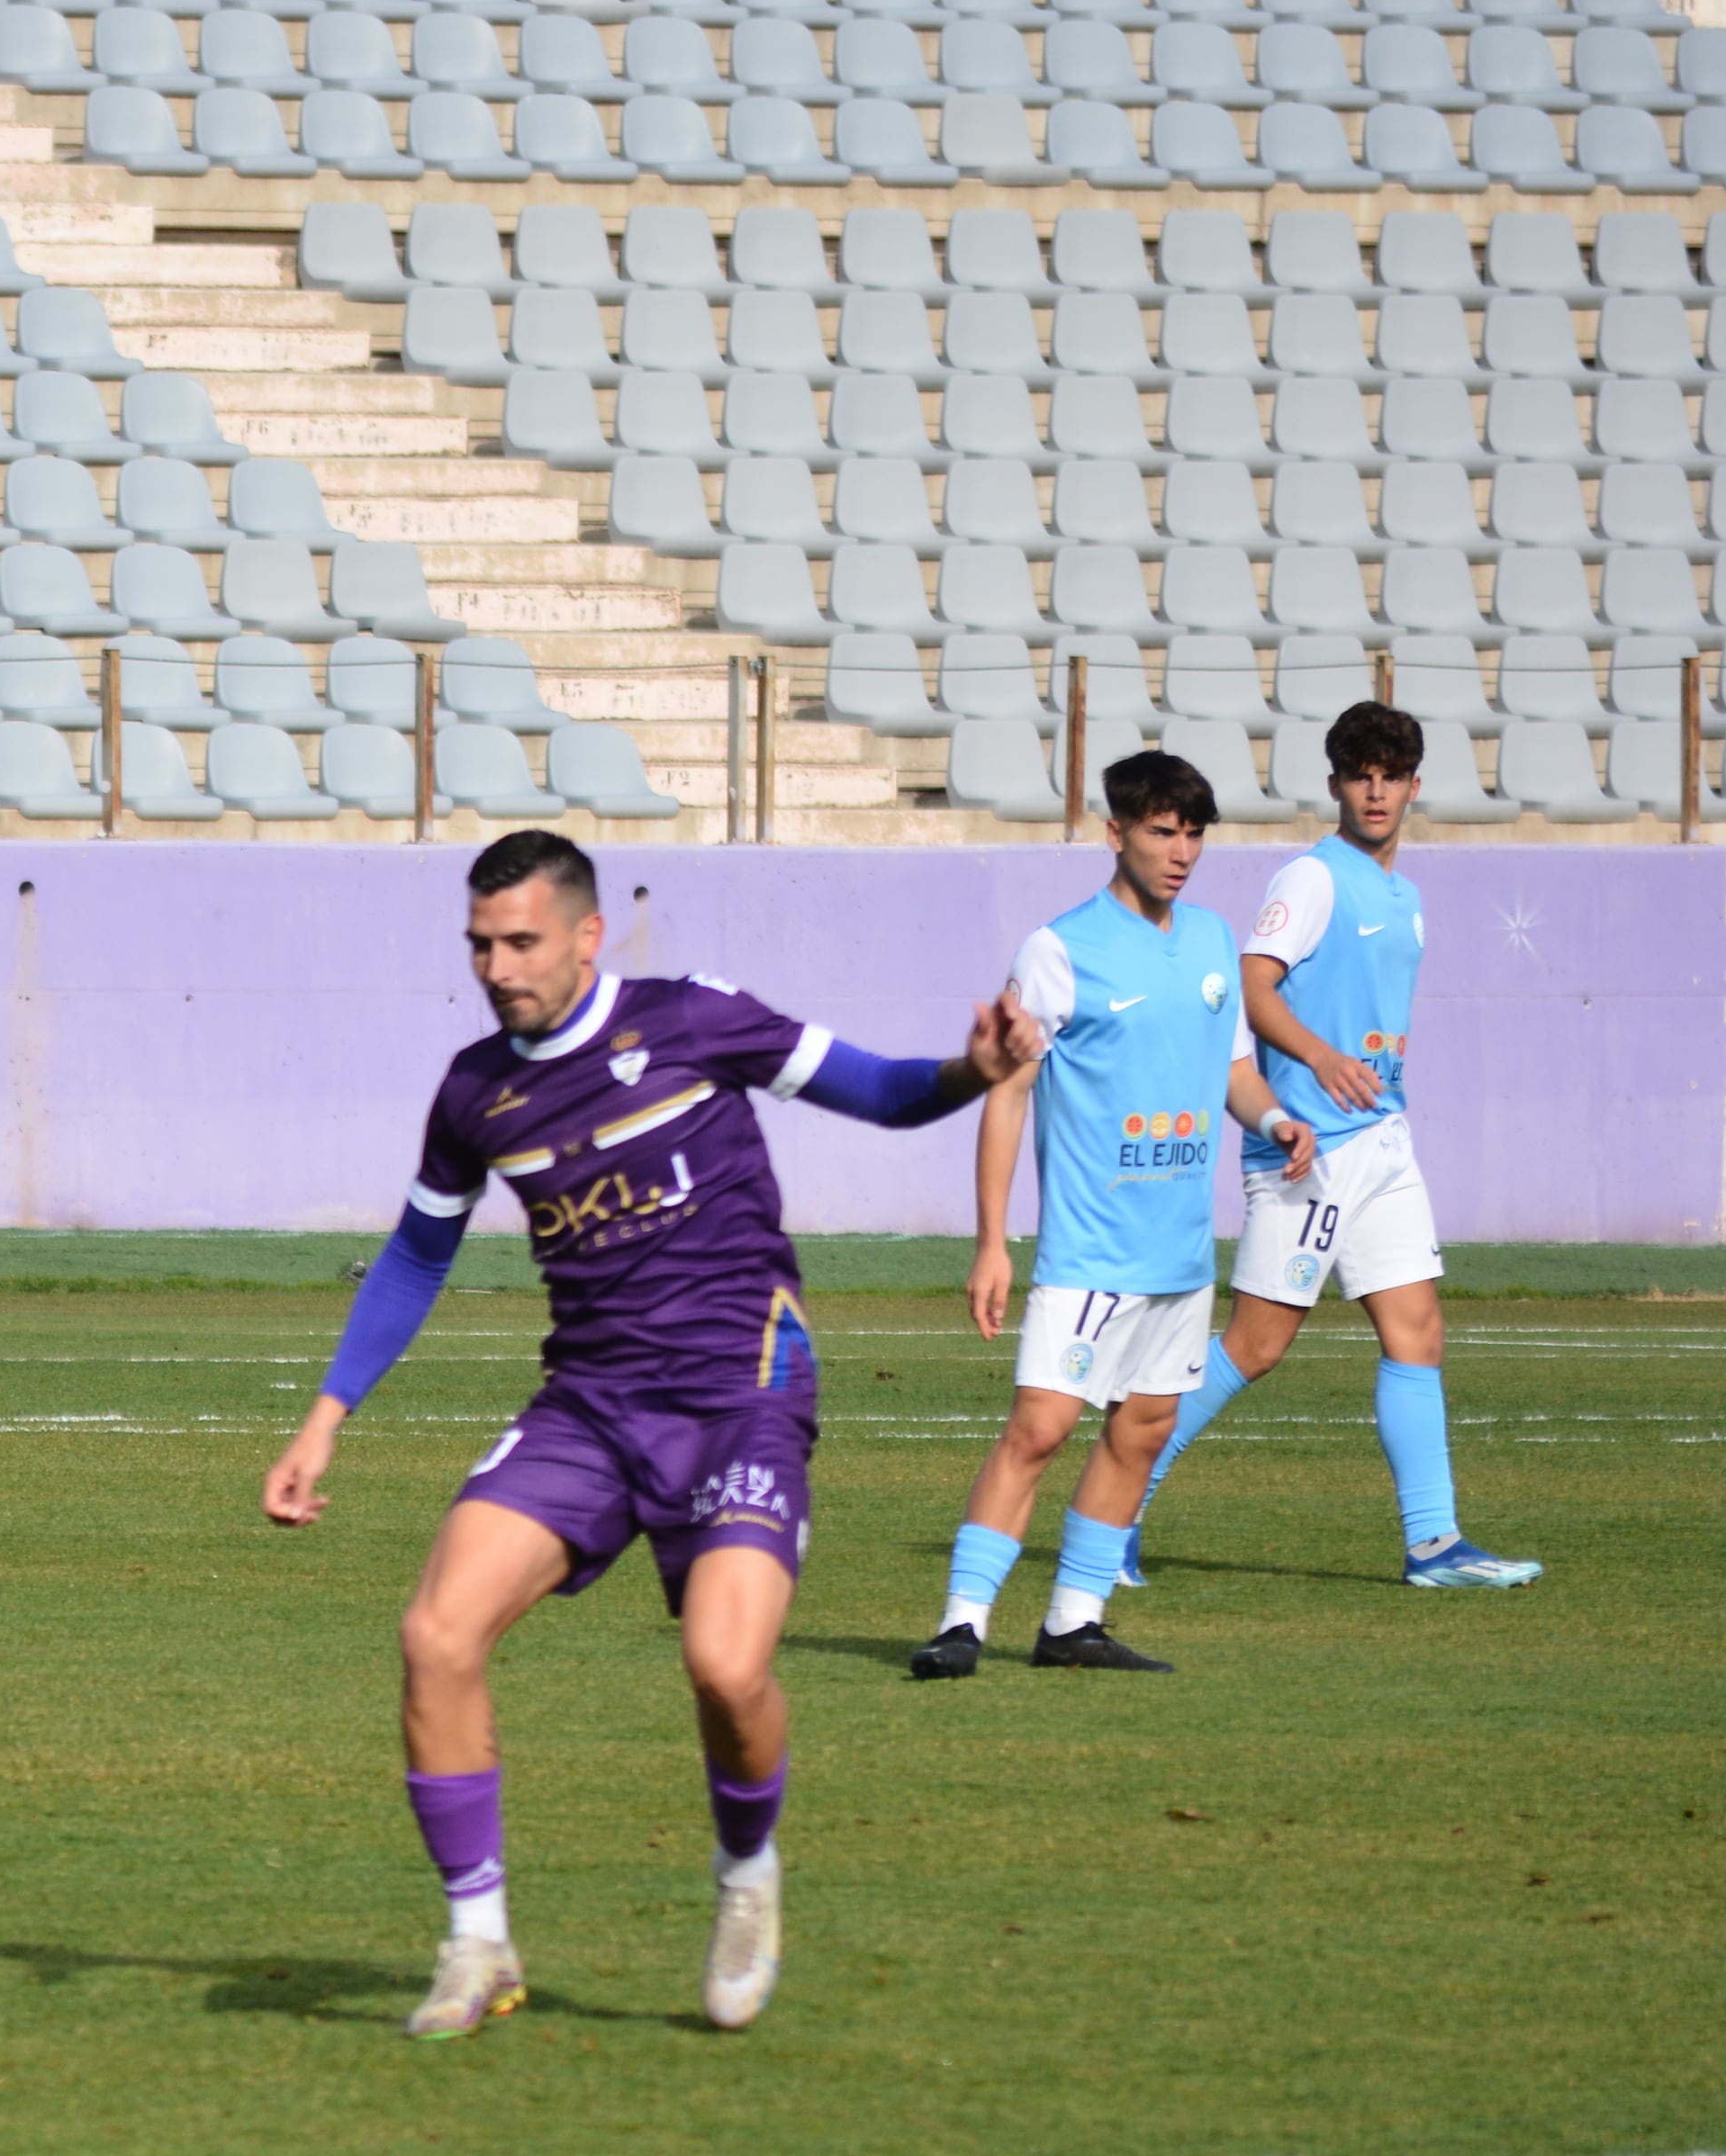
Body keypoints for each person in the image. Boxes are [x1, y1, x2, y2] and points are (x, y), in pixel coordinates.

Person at [259, 829, 1038, 2043]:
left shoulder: (695, 1021)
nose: (499, 966)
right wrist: (325, 1419)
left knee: (727, 1670)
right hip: (590, 1406)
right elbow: (419, 1251)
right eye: (480, 944)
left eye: (521, 941)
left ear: (586, 934)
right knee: (435, 1633)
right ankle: (478, 1944)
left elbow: (881, 1092)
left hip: (740, 1390)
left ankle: (747, 1875)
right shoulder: (475, 1093)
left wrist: (970, 1069)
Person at [914, 752, 1315, 1681]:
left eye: (1191, 834)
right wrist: (990, 1242)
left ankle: (1071, 1622)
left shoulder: (1215, 943)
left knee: (1140, 1431)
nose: (1179, 851)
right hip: (1088, 1248)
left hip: (1176, 1251)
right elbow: (1005, 1094)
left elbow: (1230, 1072)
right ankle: (960, 1623)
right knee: (1040, 1429)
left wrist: (1276, 1118)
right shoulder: (1059, 950)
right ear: (1115, 834)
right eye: (1159, 831)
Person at [1128, 705, 1541, 1592]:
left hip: (1380, 1142)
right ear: (1335, 787)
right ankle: (1118, 1500)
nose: (1375, 789)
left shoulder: (1407, 898)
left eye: (1390, 774)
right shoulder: (1313, 880)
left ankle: (1433, 1546)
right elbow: (1252, 985)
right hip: (1304, 1148)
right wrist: (1316, 1060)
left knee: (1416, 1331)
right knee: (1254, 1347)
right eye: (1359, 774)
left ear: (1412, 787)